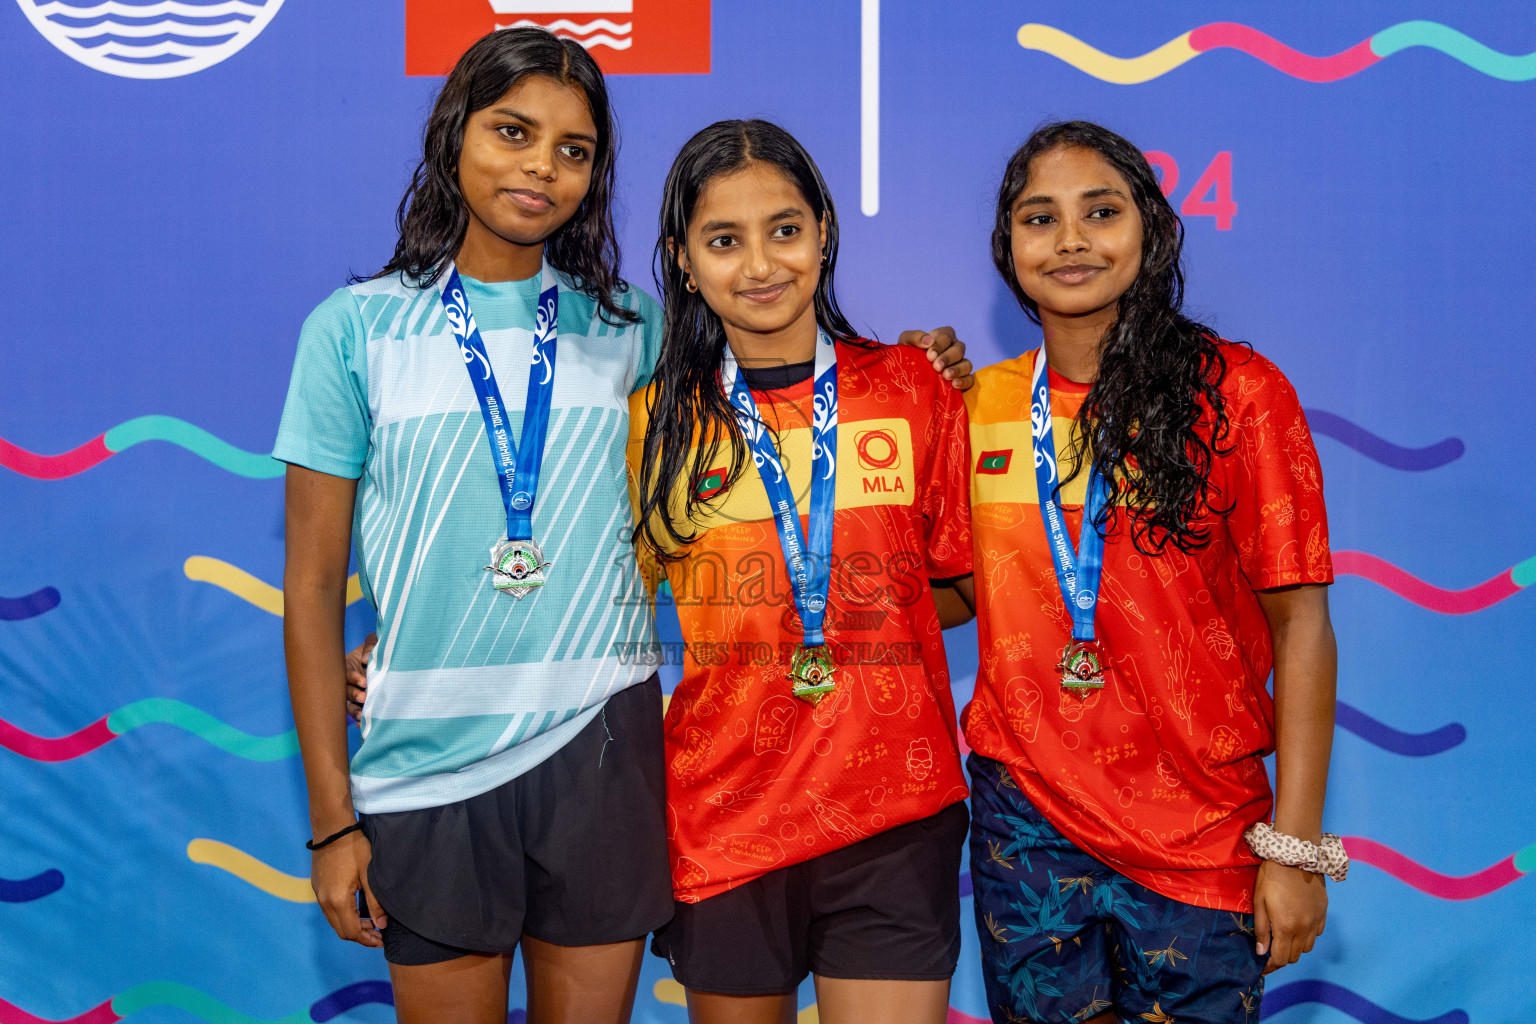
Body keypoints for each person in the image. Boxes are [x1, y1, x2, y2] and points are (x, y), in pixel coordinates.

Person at [297, 30, 974, 1024]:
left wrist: (932, 367)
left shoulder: (634, 333)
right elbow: (320, 582)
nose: (542, 167)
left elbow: (786, 450)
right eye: (514, 133)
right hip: (434, 763)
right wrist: (346, 784)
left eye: (574, 150)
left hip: (603, 746)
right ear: (453, 136)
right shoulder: (352, 329)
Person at [942, 121, 1341, 1024]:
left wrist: (1298, 848)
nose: (1072, 238)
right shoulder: (981, 406)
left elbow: (1302, 626)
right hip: (1027, 827)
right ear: (1008, 247)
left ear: (1152, 230)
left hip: (1202, 830)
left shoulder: (1238, 394)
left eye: (1102, 211)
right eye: (1039, 218)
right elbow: (966, 595)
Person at [627, 119, 975, 1024]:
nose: (760, 265)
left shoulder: (911, 387)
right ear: (683, 259)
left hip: (893, 813)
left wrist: (859, 608)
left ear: (823, 229)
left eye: (784, 230)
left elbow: (963, 585)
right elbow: (592, 600)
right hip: (727, 809)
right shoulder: (653, 423)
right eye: (723, 240)